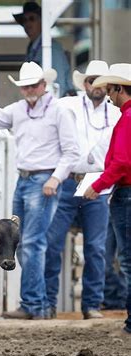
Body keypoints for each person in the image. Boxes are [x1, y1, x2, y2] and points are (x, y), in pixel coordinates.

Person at [0, 61, 80, 319]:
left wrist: (55, 179)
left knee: (31, 243)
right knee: (24, 244)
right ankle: (39, 304)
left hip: (42, 180)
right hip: (26, 180)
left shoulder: (58, 111)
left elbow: (71, 151)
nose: (30, 90)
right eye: (26, 86)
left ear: (43, 86)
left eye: (33, 85)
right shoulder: (19, 110)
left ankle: (33, 305)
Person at [44, 60, 121, 320]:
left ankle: (91, 305)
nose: (95, 85)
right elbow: (44, 107)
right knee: (52, 244)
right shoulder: (67, 104)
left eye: (100, 81)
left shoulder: (117, 112)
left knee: (96, 248)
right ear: (84, 84)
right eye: (91, 80)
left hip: (99, 181)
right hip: (69, 179)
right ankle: (48, 303)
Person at [84, 63, 131, 334]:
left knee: (127, 261)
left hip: (125, 194)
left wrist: (98, 185)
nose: (109, 95)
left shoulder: (126, 118)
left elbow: (122, 162)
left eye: (111, 90)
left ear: (119, 89)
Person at [13, 1, 74, 97]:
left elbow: (58, 85)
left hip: (59, 103)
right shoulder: (32, 47)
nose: (27, 23)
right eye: (24, 20)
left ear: (42, 22)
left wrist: (48, 107)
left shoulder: (52, 49)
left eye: (32, 18)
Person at [102, 219, 128, 310]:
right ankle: (111, 301)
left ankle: (124, 300)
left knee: (126, 262)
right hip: (107, 213)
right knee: (104, 262)